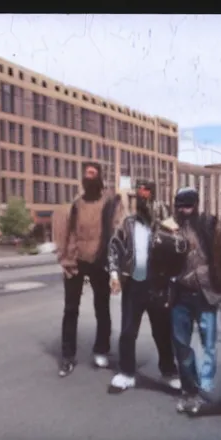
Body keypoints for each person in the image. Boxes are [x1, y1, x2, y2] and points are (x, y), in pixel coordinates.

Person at [107, 180, 181, 392]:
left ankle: (168, 372)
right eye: (139, 193)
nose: (143, 196)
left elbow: (178, 251)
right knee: (128, 331)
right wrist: (114, 275)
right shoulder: (127, 224)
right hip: (134, 286)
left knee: (162, 332)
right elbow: (114, 249)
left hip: (158, 286)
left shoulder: (165, 225)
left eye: (147, 192)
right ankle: (126, 372)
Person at [53, 162, 123, 378]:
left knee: (102, 308)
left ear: (100, 177)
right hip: (77, 260)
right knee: (70, 309)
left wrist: (114, 269)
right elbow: (67, 233)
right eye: (86, 174)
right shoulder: (75, 206)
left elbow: (117, 233)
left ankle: (101, 349)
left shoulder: (111, 204)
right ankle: (67, 356)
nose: (90, 177)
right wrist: (66, 260)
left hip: (100, 260)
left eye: (93, 174)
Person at [169, 187, 221, 415]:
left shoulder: (210, 224)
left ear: (196, 205)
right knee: (182, 347)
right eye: (180, 206)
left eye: (188, 206)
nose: (184, 210)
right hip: (179, 295)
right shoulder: (168, 227)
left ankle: (205, 388)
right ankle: (189, 390)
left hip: (205, 294)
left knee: (209, 345)